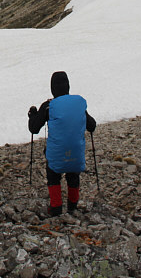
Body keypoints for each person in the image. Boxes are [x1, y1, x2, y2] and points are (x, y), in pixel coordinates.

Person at [28, 71, 96, 216]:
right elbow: (92, 126)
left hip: (57, 154)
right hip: (76, 153)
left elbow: (34, 129)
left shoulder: (48, 106)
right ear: (68, 86)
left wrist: (32, 114)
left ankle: (56, 207)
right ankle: (72, 206)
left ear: (52, 88)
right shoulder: (78, 104)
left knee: (53, 172)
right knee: (73, 173)